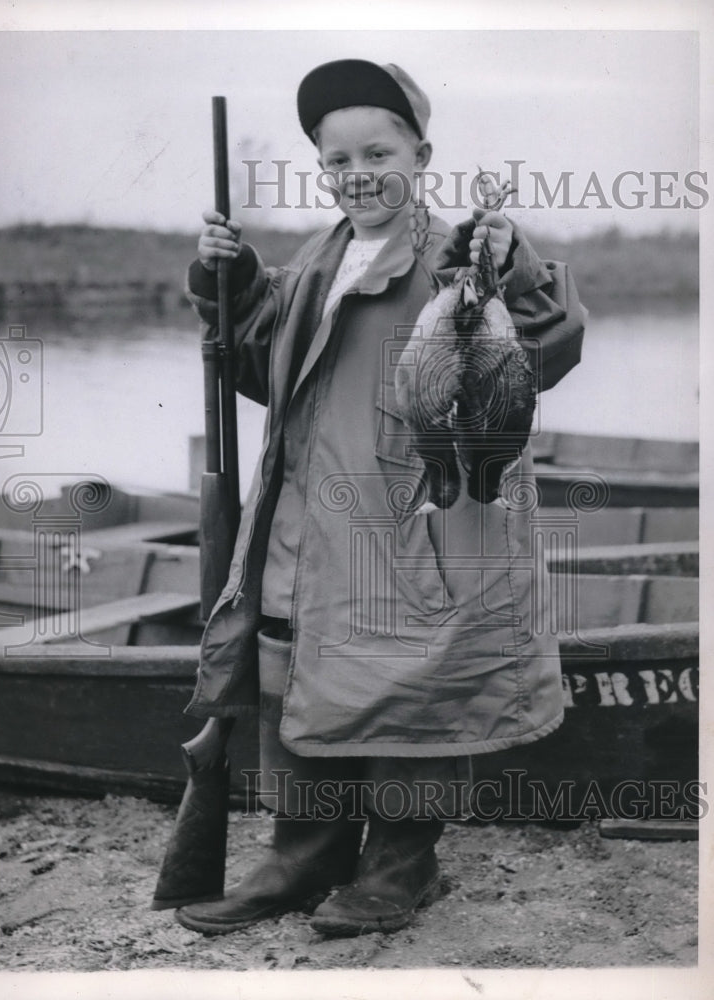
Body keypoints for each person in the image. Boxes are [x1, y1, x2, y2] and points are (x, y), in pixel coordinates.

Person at [174, 58, 585, 938]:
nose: (357, 172)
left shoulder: (460, 250)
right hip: (307, 523)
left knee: (413, 688)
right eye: (336, 159)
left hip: (420, 519)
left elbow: (547, 348)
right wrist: (235, 280)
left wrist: (509, 271)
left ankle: (401, 867)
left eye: (378, 151)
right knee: (299, 675)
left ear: (420, 153)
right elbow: (262, 372)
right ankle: (302, 857)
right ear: (322, 169)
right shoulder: (315, 263)